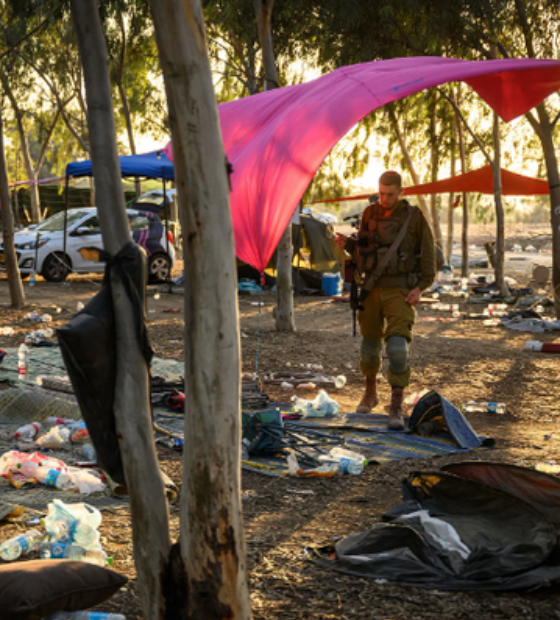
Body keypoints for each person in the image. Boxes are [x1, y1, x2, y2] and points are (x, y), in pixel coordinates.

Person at [335, 171, 436, 430]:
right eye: (381, 193)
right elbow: (363, 250)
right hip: (371, 288)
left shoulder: (414, 218)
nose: (384, 198)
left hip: (400, 290)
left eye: (389, 194)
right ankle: (370, 393)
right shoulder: (370, 214)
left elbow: (429, 259)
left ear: (401, 192)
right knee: (369, 347)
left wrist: (420, 288)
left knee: (398, 348)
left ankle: (396, 404)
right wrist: (347, 244)